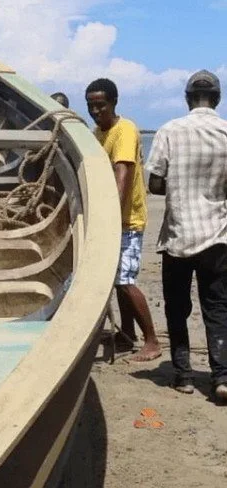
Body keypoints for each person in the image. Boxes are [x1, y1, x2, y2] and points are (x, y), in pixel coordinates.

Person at [147, 70, 227, 401]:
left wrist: (178, 185)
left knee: (177, 308)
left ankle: (183, 376)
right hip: (218, 236)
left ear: (187, 98)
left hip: (179, 235)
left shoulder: (169, 130)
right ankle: (221, 377)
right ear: (218, 99)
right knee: (218, 307)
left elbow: (154, 184)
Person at [85, 78, 161, 362]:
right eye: (91, 106)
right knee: (116, 280)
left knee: (125, 280)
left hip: (126, 219)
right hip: (115, 219)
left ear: (114, 103)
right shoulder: (98, 133)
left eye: (101, 106)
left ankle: (152, 341)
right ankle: (126, 334)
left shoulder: (124, 130)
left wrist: (109, 216)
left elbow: (123, 175)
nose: (96, 112)